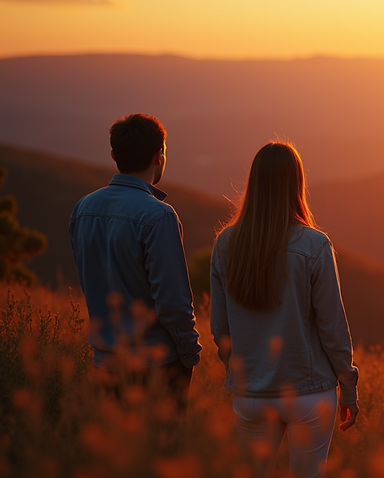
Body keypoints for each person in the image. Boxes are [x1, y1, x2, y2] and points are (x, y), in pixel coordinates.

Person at [210, 141, 359, 478]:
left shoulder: (226, 244)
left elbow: (220, 328)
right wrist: (348, 386)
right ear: (297, 184)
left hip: (252, 393)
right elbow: (332, 328)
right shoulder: (314, 245)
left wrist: (242, 369)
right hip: (309, 392)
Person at [69, 113, 202, 422]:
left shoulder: (83, 209)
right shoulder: (159, 216)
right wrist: (189, 354)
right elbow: (173, 301)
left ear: (114, 155)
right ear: (159, 156)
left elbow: (89, 279)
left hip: (105, 362)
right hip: (156, 365)